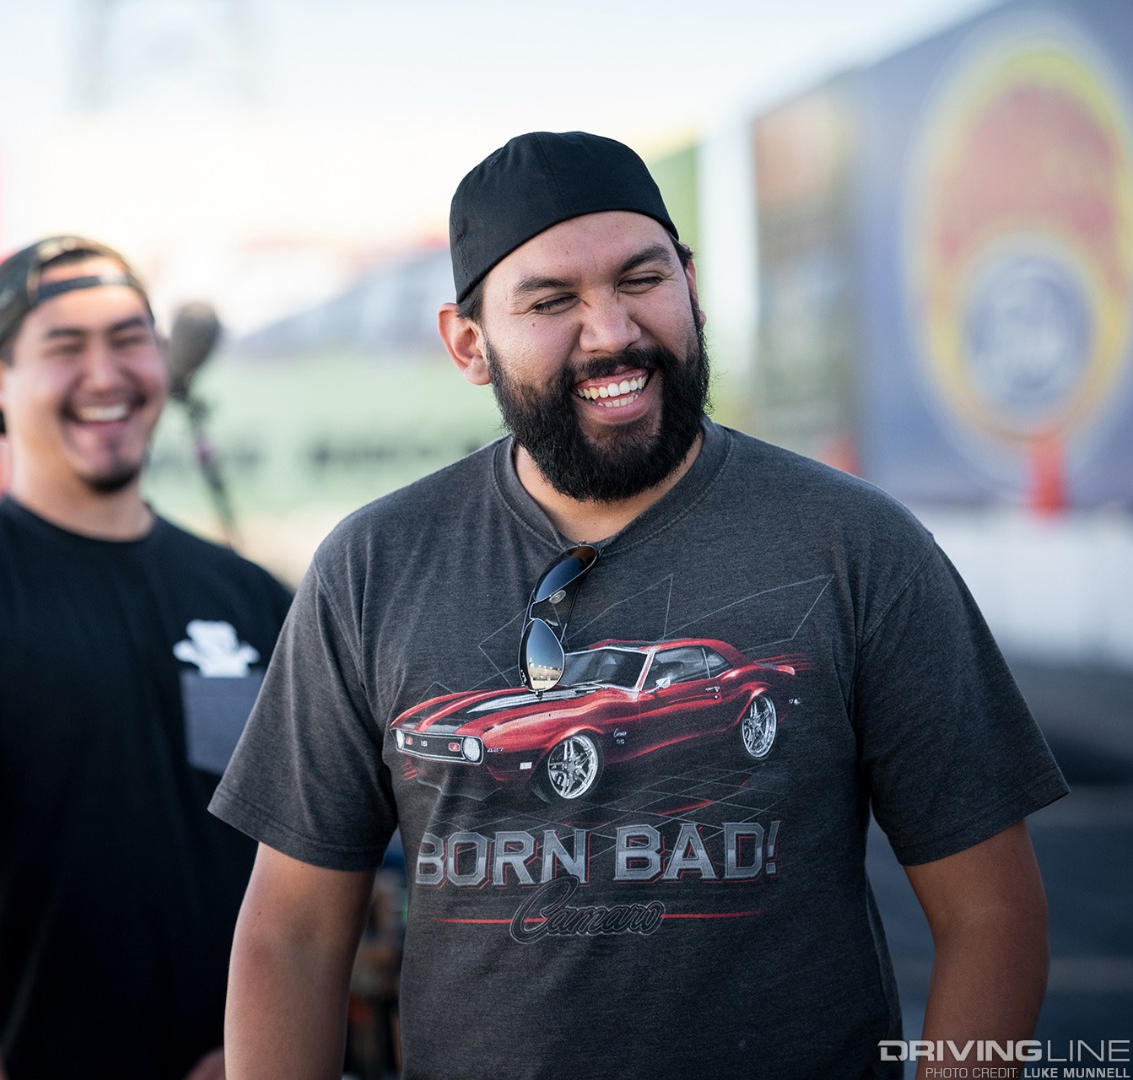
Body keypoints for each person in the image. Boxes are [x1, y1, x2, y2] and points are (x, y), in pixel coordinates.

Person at [209, 132, 1067, 1080]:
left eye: (640, 280)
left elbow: (991, 914)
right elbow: (292, 933)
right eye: (551, 301)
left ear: (689, 284)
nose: (612, 331)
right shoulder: (372, 567)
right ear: (468, 343)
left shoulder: (855, 546)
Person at [0, 235, 292, 1080]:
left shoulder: (251, 597)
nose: (105, 374)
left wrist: (275, 1053)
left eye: (128, 340)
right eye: (64, 347)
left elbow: (309, 864)